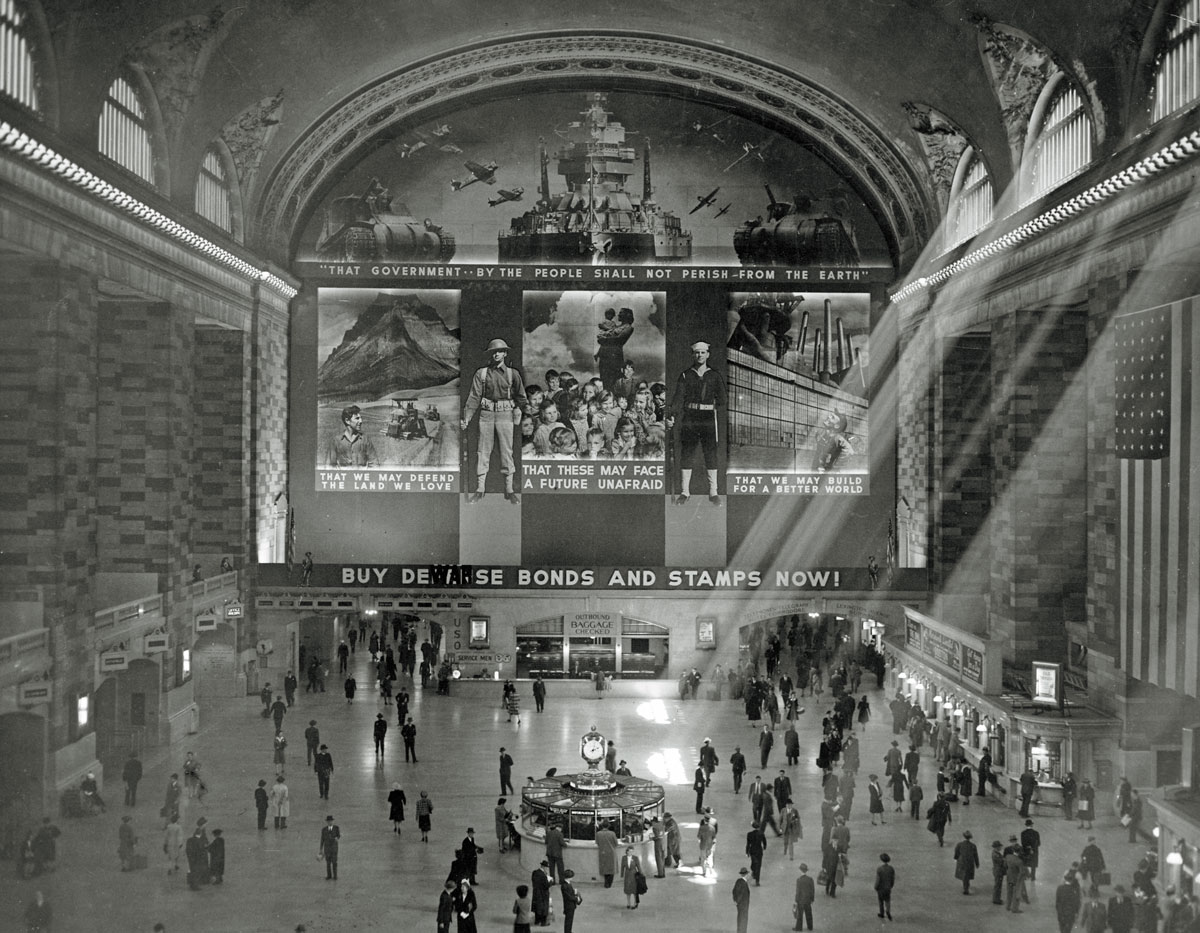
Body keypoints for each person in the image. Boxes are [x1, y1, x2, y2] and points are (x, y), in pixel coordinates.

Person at [461, 337, 527, 503]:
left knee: (507, 451)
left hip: (506, 415)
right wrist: (467, 418)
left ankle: (509, 490)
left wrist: (519, 409)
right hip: (486, 414)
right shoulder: (481, 373)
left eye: (499, 351)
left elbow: (522, 397)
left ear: (505, 353)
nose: (496, 354)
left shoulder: (513, 374)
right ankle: (480, 489)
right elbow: (474, 397)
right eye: (493, 352)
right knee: (483, 450)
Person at [667, 340, 727, 504]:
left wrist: (709, 405)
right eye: (696, 353)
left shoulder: (714, 375)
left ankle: (713, 493)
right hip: (690, 418)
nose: (699, 355)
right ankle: (685, 492)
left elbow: (722, 400)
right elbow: (678, 398)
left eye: (702, 352)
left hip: (708, 419)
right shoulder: (686, 375)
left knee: (710, 454)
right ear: (692, 355)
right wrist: (671, 416)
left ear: (708, 354)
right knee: (687, 453)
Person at [954, 830, 979, 894]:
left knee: (964, 874)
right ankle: (966, 887)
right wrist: (977, 863)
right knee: (967, 874)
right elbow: (975, 855)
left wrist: (956, 858)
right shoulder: (973, 845)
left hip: (962, 861)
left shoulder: (959, 844)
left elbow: (956, 852)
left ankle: (966, 888)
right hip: (970, 862)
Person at [595, 820, 619, 886]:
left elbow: (597, 843)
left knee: (604, 867)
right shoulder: (612, 833)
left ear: (602, 826)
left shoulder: (598, 833)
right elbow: (616, 844)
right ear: (608, 826)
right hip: (611, 852)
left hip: (602, 852)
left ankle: (606, 882)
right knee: (611, 868)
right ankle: (609, 883)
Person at [185, 825, 209, 889]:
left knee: (191, 870)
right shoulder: (200, 841)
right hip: (198, 859)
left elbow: (187, 849)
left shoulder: (189, 839)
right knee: (197, 871)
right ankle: (195, 885)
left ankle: (191, 883)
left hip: (190, 858)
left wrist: (189, 856)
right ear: (200, 834)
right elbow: (202, 850)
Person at [745, 821, 767, 885]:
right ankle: (757, 880)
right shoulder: (761, 833)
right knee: (759, 865)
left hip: (752, 851)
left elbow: (748, 844)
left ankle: (754, 872)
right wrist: (764, 847)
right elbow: (764, 842)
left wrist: (747, 852)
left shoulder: (749, 834)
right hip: (759, 851)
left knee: (753, 863)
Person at [875, 852, 896, 920]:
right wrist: (891, 885)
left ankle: (882, 913)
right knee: (887, 900)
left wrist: (876, 887)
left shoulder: (879, 869)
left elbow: (878, 880)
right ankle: (888, 911)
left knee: (880, 901)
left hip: (881, 888)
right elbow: (892, 879)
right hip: (888, 887)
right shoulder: (891, 868)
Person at [531, 859, 552, 924]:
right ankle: (543, 922)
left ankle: (537, 921)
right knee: (544, 908)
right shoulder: (543, 875)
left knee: (537, 907)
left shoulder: (535, 872)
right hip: (543, 893)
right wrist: (551, 881)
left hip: (536, 892)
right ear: (544, 867)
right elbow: (546, 885)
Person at [319, 815, 340, 879]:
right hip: (327, 848)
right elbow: (322, 839)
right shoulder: (324, 830)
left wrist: (337, 838)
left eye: (331, 821)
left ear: (333, 821)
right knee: (328, 863)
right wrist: (321, 849)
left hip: (334, 848)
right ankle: (329, 875)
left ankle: (335, 876)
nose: (330, 822)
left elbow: (338, 835)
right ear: (327, 822)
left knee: (334, 862)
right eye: (329, 821)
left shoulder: (336, 828)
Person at [733, 866, 752, 933]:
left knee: (740, 918)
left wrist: (735, 900)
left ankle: (740, 930)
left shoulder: (738, 881)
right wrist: (738, 901)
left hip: (740, 905)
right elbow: (740, 894)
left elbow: (734, 891)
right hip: (743, 905)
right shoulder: (744, 884)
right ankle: (742, 931)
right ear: (746, 875)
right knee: (743, 919)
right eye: (748, 874)